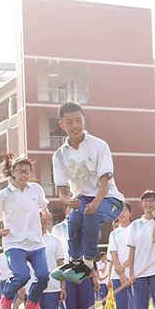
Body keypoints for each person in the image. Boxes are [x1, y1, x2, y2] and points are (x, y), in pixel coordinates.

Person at [50, 101, 125, 284]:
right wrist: (69, 201)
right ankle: (74, 262)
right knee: (74, 219)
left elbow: (105, 182)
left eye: (78, 120)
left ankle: (87, 264)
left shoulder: (99, 146)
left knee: (92, 215)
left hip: (109, 198)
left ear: (84, 120)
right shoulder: (59, 156)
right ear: (62, 125)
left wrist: (96, 203)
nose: (75, 126)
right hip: (82, 198)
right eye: (69, 122)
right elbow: (62, 193)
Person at [0, 153, 50, 309]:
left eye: (27, 171)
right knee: (22, 275)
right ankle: (7, 298)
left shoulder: (36, 189)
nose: (24, 175)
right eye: (20, 171)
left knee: (44, 275)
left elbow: (42, 206)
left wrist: (45, 213)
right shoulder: (3, 195)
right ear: (13, 173)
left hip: (35, 242)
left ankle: (32, 303)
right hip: (14, 242)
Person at [23, 209, 67, 309]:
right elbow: (21, 265)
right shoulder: (26, 240)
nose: (43, 220)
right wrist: (21, 287)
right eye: (39, 216)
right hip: (32, 288)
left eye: (46, 217)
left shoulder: (55, 240)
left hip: (52, 287)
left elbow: (60, 264)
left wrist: (63, 286)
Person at [108, 204, 134, 309]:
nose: (121, 213)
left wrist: (124, 267)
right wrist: (120, 271)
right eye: (119, 211)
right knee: (121, 308)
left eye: (124, 210)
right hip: (117, 275)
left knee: (138, 306)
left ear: (130, 213)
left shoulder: (135, 230)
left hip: (135, 273)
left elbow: (136, 252)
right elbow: (113, 253)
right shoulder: (114, 233)